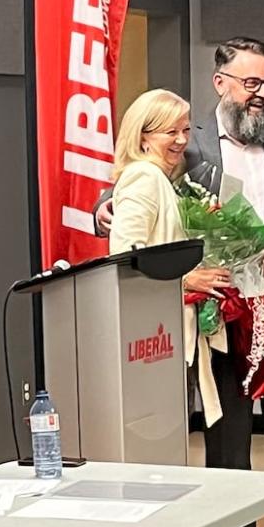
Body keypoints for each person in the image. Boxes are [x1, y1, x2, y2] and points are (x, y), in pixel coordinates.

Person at [97, 38, 264, 527]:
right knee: (227, 452)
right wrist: (106, 210)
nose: (262, 94)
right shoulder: (185, 144)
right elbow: (130, 188)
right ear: (221, 83)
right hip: (220, 320)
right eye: (251, 83)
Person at [109, 89, 233, 423]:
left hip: (163, 331)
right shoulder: (144, 178)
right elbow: (123, 256)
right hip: (151, 333)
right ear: (144, 137)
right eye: (170, 131)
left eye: (185, 129)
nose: (181, 140)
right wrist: (187, 280)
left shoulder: (161, 179)